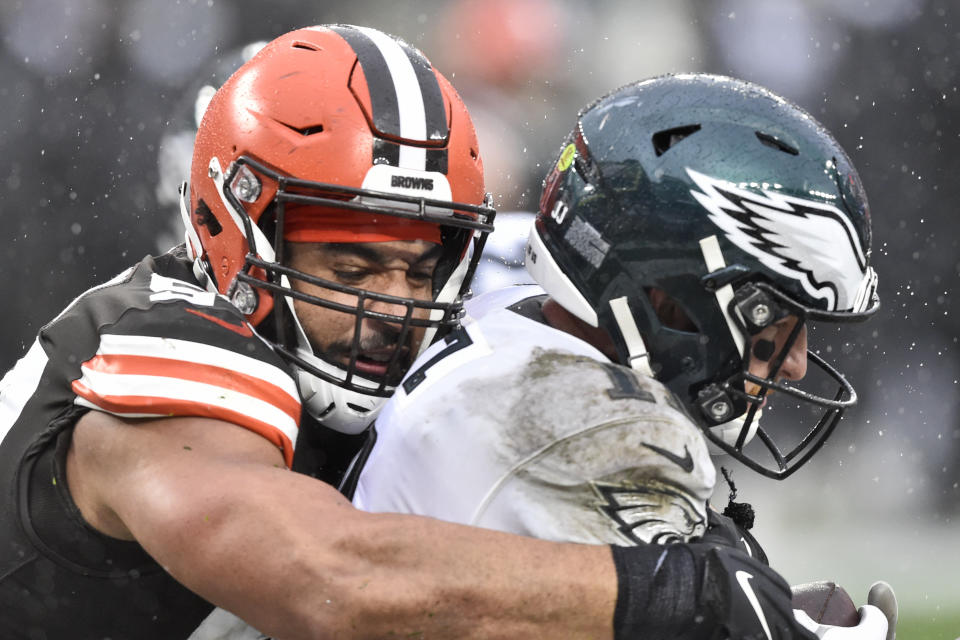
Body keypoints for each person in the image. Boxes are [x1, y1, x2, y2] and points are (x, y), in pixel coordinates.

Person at [355, 74, 894, 638]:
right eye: (775, 320)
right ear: (668, 300)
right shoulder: (602, 425)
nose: (796, 363)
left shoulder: (513, 305)